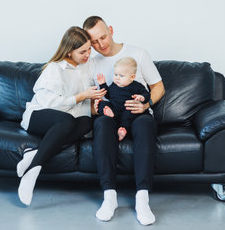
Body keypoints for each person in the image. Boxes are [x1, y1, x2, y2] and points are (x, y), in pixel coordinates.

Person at [83, 16, 165, 226]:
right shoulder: (91, 63)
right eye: (94, 42)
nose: (101, 45)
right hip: (111, 113)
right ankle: (109, 196)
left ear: (111, 30)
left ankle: (142, 199)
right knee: (101, 124)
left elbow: (158, 87)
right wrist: (99, 108)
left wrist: (145, 105)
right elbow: (92, 98)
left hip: (137, 113)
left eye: (104, 37)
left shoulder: (138, 54)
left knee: (145, 124)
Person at [17, 26, 106, 206]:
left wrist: (94, 104)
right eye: (82, 51)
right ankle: (33, 172)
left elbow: (83, 106)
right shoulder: (54, 69)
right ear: (68, 52)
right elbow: (50, 103)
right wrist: (82, 96)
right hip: (39, 115)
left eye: (89, 49)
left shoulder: (86, 66)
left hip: (67, 118)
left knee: (87, 123)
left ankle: (34, 154)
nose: (88, 54)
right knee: (66, 121)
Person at [95, 57, 150, 141]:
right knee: (102, 103)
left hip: (128, 109)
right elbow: (108, 95)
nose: (117, 78)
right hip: (115, 108)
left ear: (132, 77)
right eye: (116, 74)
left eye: (121, 76)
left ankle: (122, 130)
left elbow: (146, 94)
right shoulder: (114, 85)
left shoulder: (136, 86)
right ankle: (109, 113)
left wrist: (142, 97)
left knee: (128, 115)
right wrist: (103, 84)